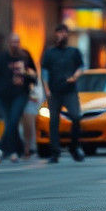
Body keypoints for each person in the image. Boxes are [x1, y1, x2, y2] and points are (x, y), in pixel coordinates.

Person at [40, 24, 85, 163]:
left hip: (70, 91)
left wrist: (75, 76)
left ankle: (74, 146)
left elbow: (81, 67)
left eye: (64, 32)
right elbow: (45, 72)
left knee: (76, 117)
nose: (62, 35)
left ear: (67, 35)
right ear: (56, 34)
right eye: (59, 32)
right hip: (54, 92)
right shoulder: (50, 53)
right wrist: (46, 89)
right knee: (53, 121)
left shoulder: (74, 51)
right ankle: (55, 152)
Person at [0, 32, 37, 162]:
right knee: (9, 123)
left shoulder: (25, 55)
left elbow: (34, 74)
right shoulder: (2, 57)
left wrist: (28, 80)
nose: (15, 44)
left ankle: (6, 148)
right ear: (8, 43)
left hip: (21, 93)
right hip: (5, 95)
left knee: (13, 120)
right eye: (13, 42)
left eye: (17, 42)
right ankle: (18, 149)